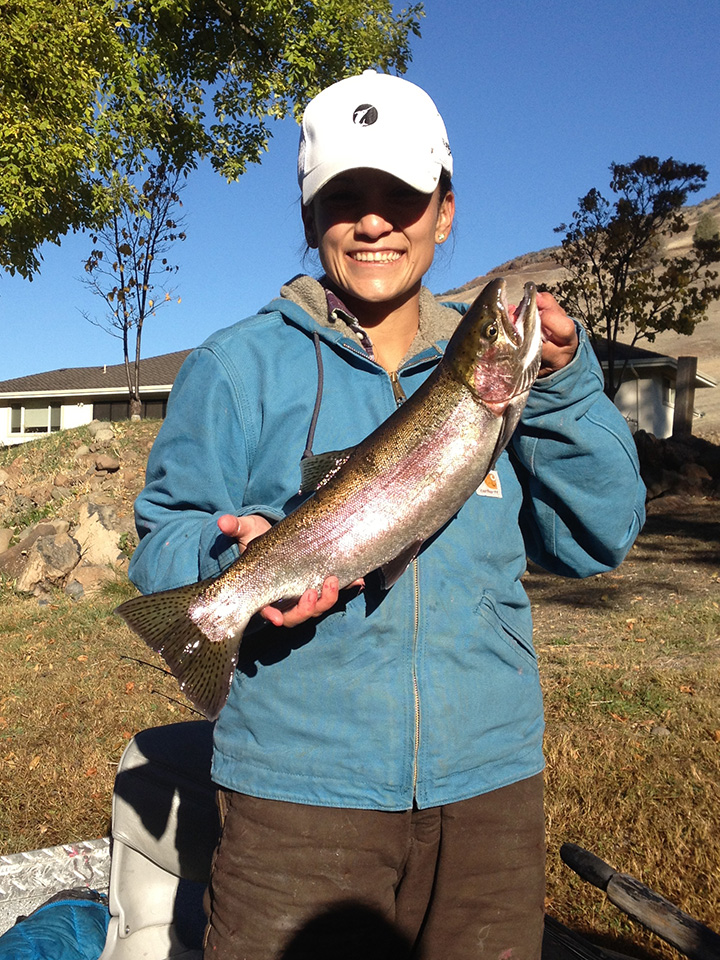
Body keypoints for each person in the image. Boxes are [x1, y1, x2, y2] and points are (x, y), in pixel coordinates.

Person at [127, 70, 646, 960]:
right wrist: (222, 572)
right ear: (310, 215)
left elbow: (597, 539)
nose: (374, 223)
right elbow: (164, 533)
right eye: (345, 198)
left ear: (445, 211)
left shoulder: (505, 388)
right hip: (297, 794)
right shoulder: (237, 365)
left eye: (402, 197)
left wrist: (556, 388)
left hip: (491, 787)